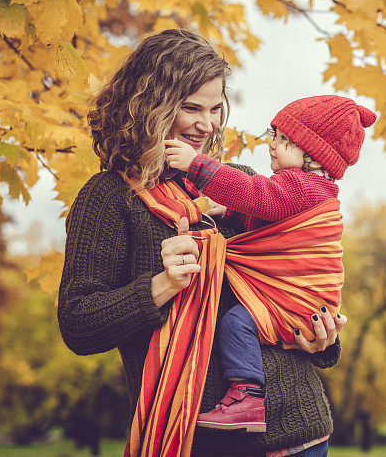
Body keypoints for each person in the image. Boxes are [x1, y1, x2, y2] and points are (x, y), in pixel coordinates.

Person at [58, 29, 346, 457]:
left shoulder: (242, 183)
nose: (206, 124)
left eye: (215, 109)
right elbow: (79, 325)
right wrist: (162, 285)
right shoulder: (107, 199)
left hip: (298, 432)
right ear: (147, 106)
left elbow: (297, 272)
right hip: (198, 439)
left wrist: (322, 337)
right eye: (191, 108)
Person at [163, 95, 376, 433]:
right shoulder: (307, 190)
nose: (272, 145)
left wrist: (196, 165)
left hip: (293, 301)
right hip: (302, 304)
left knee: (236, 323)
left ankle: (246, 396)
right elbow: (268, 217)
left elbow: (255, 193)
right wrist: (231, 212)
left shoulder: (299, 186)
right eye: (273, 133)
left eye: (285, 140)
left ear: (313, 156)